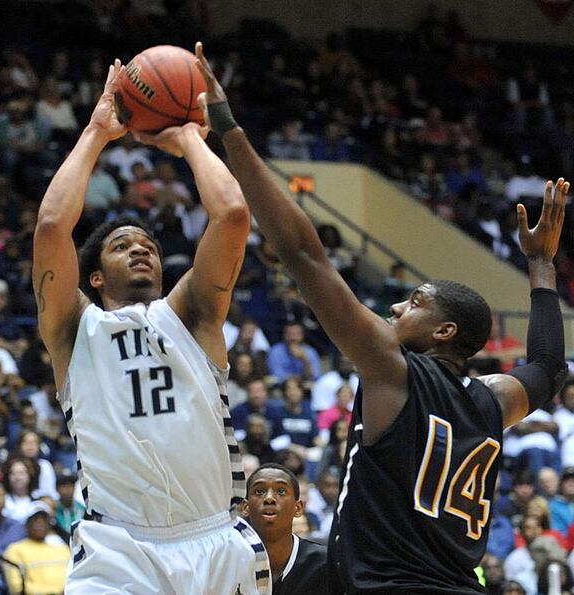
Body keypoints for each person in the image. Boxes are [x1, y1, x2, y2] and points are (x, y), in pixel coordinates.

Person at [165, 41, 569, 594]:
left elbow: (304, 255)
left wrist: (228, 125)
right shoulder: (493, 400)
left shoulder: (392, 368)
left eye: (416, 302)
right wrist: (542, 264)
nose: (397, 306)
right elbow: (549, 365)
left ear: (445, 332)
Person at [32, 58, 268, 594]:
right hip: (118, 550)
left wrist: (188, 137)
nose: (140, 249)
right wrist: (96, 132)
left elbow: (232, 214)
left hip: (214, 542)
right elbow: (51, 226)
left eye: (150, 246)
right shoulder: (73, 329)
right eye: (122, 245)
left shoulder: (191, 312)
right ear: (93, 275)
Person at [242, 464, 327, 594]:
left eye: (281, 491)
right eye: (259, 491)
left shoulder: (325, 563)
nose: (269, 498)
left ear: (298, 508)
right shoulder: (230, 560)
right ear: (245, 507)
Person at [2, 500, 70, 595]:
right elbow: (17, 587)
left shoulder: (63, 548)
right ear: (26, 524)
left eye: (44, 520)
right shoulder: (14, 550)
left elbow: (75, 577)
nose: (40, 523)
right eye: (36, 520)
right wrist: (55, 593)